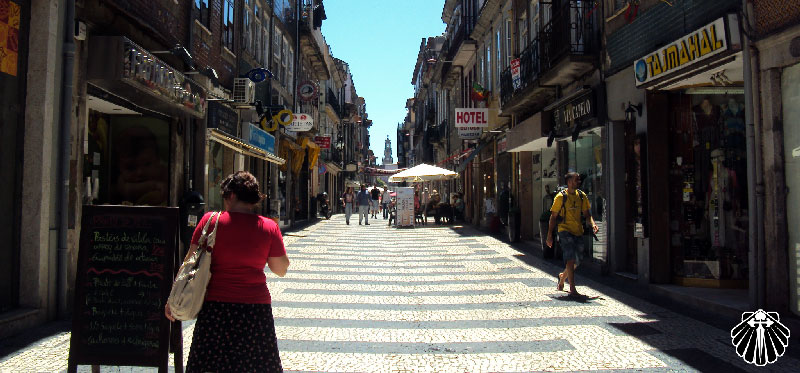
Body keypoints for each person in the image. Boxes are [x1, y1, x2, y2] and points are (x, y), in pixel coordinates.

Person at [165, 171, 289, 372]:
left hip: (215, 310)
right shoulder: (268, 227)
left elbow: (189, 262)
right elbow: (280, 269)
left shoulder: (211, 222)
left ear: (231, 195)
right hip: (255, 311)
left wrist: (172, 298)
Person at [545, 172, 598, 297]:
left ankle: (562, 277)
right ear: (569, 182)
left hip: (578, 231)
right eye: (576, 180)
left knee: (577, 260)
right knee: (570, 258)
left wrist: (593, 224)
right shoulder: (560, 197)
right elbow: (553, 216)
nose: (578, 182)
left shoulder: (582, 196)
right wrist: (549, 235)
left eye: (578, 180)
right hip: (564, 230)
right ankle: (572, 288)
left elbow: (587, 214)